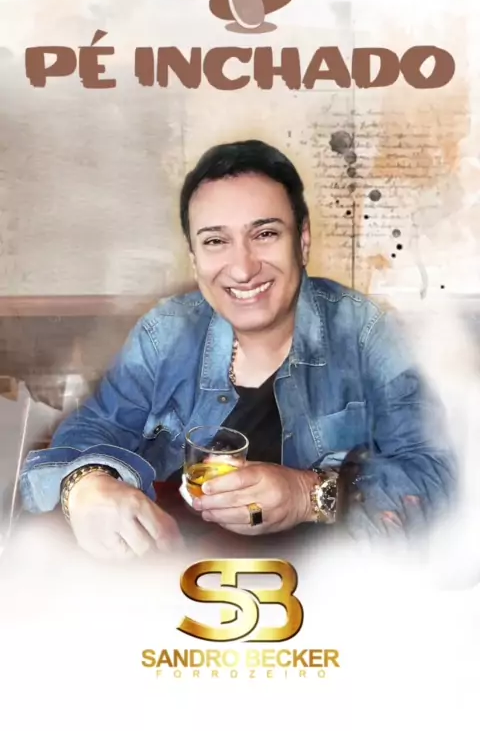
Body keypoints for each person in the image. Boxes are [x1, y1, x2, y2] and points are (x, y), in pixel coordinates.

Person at [20, 139, 455, 558]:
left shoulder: (366, 331)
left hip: (329, 585)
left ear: (303, 240)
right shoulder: (166, 332)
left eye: (265, 234)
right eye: (215, 241)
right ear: (194, 258)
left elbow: (438, 474)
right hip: (177, 581)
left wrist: (309, 495)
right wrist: (86, 484)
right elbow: (93, 427)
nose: (243, 269)